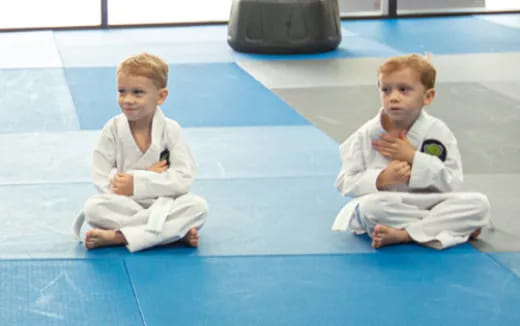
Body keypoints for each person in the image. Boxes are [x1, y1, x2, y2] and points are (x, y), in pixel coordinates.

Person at [331, 54, 490, 250]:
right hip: (390, 204)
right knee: (368, 209)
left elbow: (453, 182)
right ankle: (451, 228)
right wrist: (380, 179)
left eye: (404, 90)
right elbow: (345, 182)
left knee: (479, 204)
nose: (393, 97)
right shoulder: (366, 135)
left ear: (428, 96)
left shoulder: (438, 132)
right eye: (386, 90)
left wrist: (413, 157)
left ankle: (405, 234)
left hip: (432, 201)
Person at [73, 53, 208, 252]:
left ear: (161, 96)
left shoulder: (171, 130)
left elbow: (183, 178)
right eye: (122, 91)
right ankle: (171, 234)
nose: (127, 100)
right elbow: (100, 175)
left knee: (197, 207)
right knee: (93, 209)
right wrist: (131, 184)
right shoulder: (112, 129)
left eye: (137, 92)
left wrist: (139, 181)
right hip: (123, 204)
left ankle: (119, 236)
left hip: (164, 202)